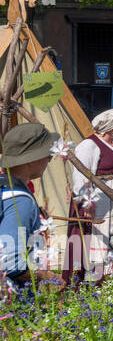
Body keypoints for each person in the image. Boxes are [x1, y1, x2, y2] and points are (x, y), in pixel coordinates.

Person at [71, 109, 113, 277]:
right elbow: (80, 177)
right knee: (106, 237)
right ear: (111, 126)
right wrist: (87, 204)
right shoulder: (89, 145)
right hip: (105, 202)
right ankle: (105, 277)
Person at [0, 122, 57, 288]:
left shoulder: (4, 187)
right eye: (48, 154)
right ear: (31, 160)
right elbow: (11, 263)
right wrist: (48, 276)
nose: (49, 159)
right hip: (10, 302)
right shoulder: (20, 201)